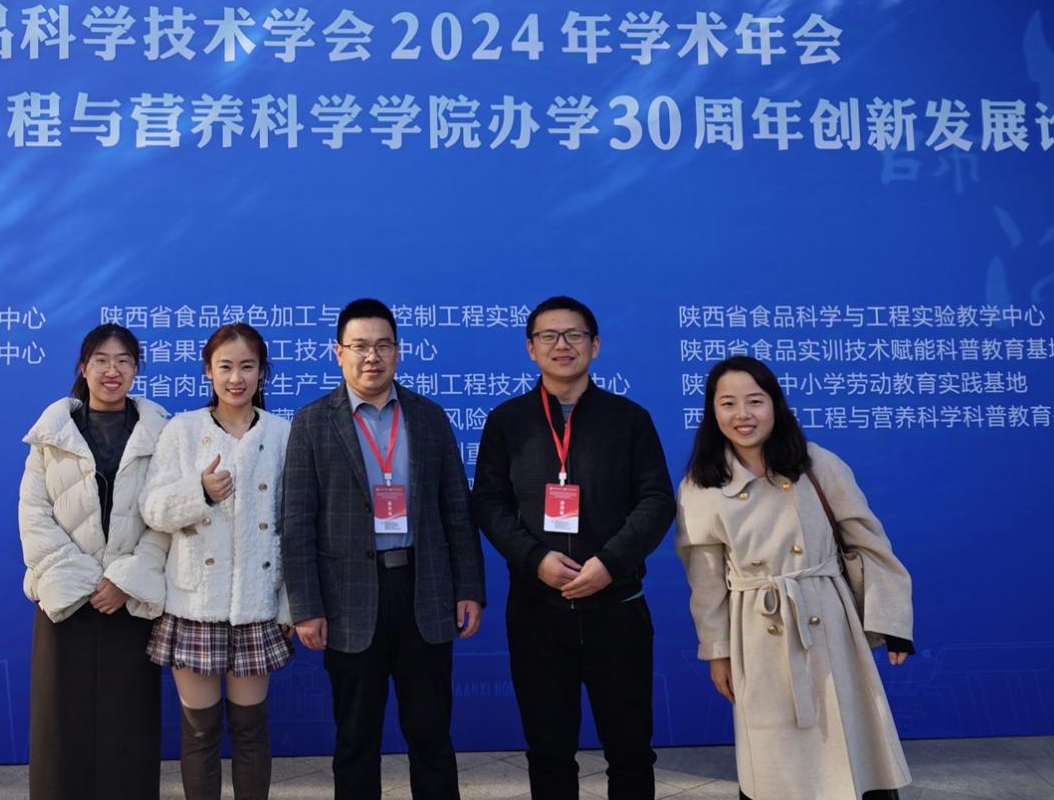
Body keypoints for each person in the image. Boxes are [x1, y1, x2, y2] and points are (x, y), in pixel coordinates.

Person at [675, 355, 914, 800]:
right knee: (773, 761)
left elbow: (869, 543)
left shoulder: (817, 463)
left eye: (755, 401)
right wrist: (718, 652)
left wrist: (892, 622)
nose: (743, 415)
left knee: (849, 744)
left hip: (828, 623)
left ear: (775, 404)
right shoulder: (700, 485)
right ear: (712, 412)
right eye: (728, 403)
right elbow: (705, 581)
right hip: (756, 633)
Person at [280, 297, 486, 800]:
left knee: (432, 736)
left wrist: (469, 588)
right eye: (359, 346)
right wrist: (306, 607)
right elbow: (297, 523)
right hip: (348, 598)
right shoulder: (312, 422)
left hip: (424, 589)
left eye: (383, 345)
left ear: (398, 351)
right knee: (355, 740)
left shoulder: (429, 417)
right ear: (338, 353)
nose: (371, 357)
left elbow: (456, 510)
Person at [471, 296, 675, 800]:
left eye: (574, 335)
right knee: (548, 752)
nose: (562, 345)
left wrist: (610, 563)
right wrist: (535, 559)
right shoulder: (508, 420)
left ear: (595, 345)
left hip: (618, 608)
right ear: (531, 348)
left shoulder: (629, 419)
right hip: (538, 612)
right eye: (548, 336)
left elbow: (657, 500)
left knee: (630, 751)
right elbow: (489, 503)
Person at [139, 323, 293, 800]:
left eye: (247, 366)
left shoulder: (282, 434)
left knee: (250, 729)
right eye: (225, 367)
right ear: (208, 370)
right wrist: (199, 492)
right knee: (200, 731)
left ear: (263, 371)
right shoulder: (182, 430)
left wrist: (288, 604)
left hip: (256, 604)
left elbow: (294, 526)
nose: (236, 378)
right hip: (194, 604)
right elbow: (152, 509)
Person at [18, 323, 171, 800]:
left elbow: (165, 520)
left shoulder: (162, 436)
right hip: (65, 598)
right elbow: (33, 515)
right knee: (61, 725)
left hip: (130, 600)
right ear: (83, 369)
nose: (112, 370)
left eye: (123, 361)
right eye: (101, 360)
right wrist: (85, 580)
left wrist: (124, 580)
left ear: (136, 369)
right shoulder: (51, 436)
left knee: (129, 723)